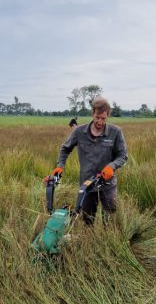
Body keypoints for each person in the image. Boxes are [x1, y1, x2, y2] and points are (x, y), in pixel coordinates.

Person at [50, 96, 128, 225]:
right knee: (87, 219)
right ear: (93, 113)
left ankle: (108, 241)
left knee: (110, 219)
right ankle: (90, 241)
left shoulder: (116, 132)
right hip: (87, 184)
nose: (100, 121)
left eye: (103, 118)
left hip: (108, 184)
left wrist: (112, 166)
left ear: (107, 116)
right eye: (97, 117)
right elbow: (65, 149)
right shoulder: (80, 132)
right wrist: (60, 166)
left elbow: (123, 155)